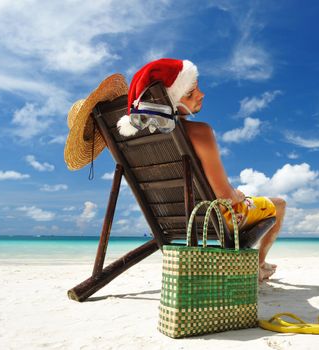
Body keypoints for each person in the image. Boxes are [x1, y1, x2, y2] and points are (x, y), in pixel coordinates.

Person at [117, 58, 287, 281]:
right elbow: (224, 197)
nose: (201, 94)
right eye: (190, 93)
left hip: (170, 220)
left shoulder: (136, 145)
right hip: (214, 218)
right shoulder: (199, 132)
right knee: (279, 205)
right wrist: (238, 194)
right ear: (171, 101)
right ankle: (259, 264)